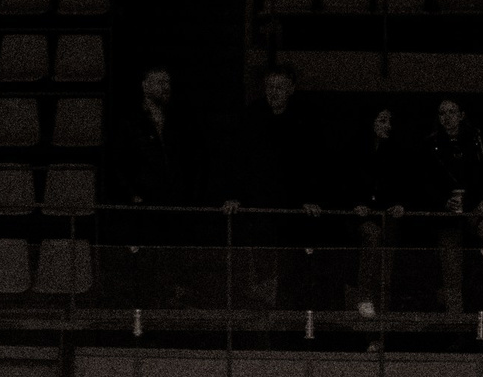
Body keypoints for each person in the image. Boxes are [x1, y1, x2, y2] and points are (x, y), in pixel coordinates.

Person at [220, 65, 326, 307]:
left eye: (279, 87)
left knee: (292, 266)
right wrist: (234, 195)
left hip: (293, 206)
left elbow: (314, 162)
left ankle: (287, 313)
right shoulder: (251, 116)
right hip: (260, 204)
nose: (274, 92)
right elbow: (237, 160)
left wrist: (310, 197)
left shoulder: (305, 118)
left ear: (291, 89)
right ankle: (264, 310)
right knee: (262, 264)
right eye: (269, 86)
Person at [110, 65, 199, 304]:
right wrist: (133, 194)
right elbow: (117, 163)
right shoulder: (130, 121)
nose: (165, 87)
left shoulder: (177, 121)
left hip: (174, 203)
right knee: (147, 261)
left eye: (167, 82)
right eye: (159, 82)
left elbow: (189, 160)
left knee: (173, 257)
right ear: (145, 86)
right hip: (145, 204)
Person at [425, 98, 483, 314]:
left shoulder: (476, 140)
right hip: (447, 216)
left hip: (474, 207)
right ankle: (455, 319)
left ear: (461, 115)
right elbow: (425, 182)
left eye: (452, 112)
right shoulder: (431, 144)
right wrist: (443, 201)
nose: (447, 117)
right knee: (451, 266)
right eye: (442, 113)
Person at [344, 107, 409, 318]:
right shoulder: (355, 148)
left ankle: (381, 316)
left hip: (386, 219)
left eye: (389, 121)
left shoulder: (395, 151)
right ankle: (364, 296)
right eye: (382, 121)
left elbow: (403, 184)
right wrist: (355, 204)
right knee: (371, 235)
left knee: (385, 267)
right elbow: (345, 183)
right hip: (359, 221)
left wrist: (400, 204)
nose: (387, 126)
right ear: (371, 122)